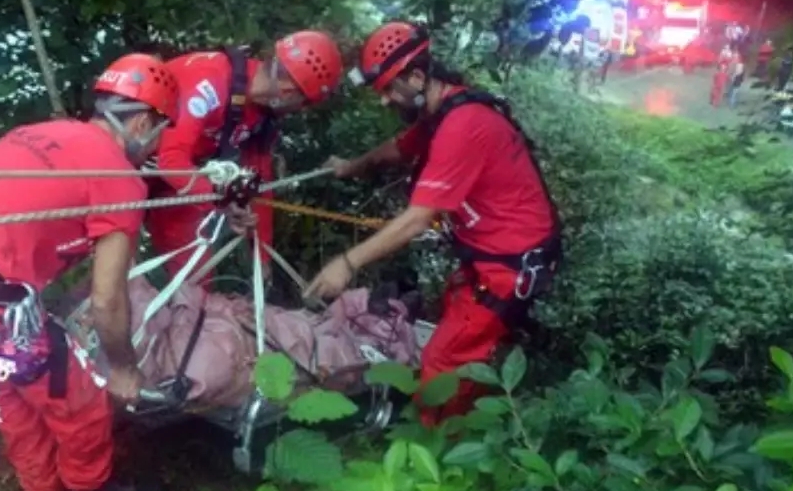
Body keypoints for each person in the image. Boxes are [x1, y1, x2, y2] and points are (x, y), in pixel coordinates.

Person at [0, 53, 180, 491]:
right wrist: (122, 367)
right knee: (77, 394)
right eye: (160, 129)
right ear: (140, 122)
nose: (157, 143)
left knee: (9, 387)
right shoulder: (119, 176)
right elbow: (107, 298)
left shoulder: (41, 132)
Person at [304, 21, 561, 429]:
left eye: (391, 89)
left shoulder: (462, 125)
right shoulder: (444, 113)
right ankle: (480, 424)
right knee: (465, 354)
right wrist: (350, 167)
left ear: (419, 76)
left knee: (442, 362)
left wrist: (347, 264)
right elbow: (398, 148)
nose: (386, 101)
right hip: (491, 257)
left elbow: (417, 218)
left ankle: (439, 454)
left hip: (507, 267)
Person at [145, 31, 345, 282]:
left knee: (197, 279)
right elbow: (171, 159)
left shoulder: (261, 118)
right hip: (128, 166)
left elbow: (259, 186)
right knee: (112, 265)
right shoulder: (211, 80)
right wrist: (224, 199)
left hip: (173, 180)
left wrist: (261, 259)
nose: (298, 110)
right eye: (302, 103)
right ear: (288, 91)